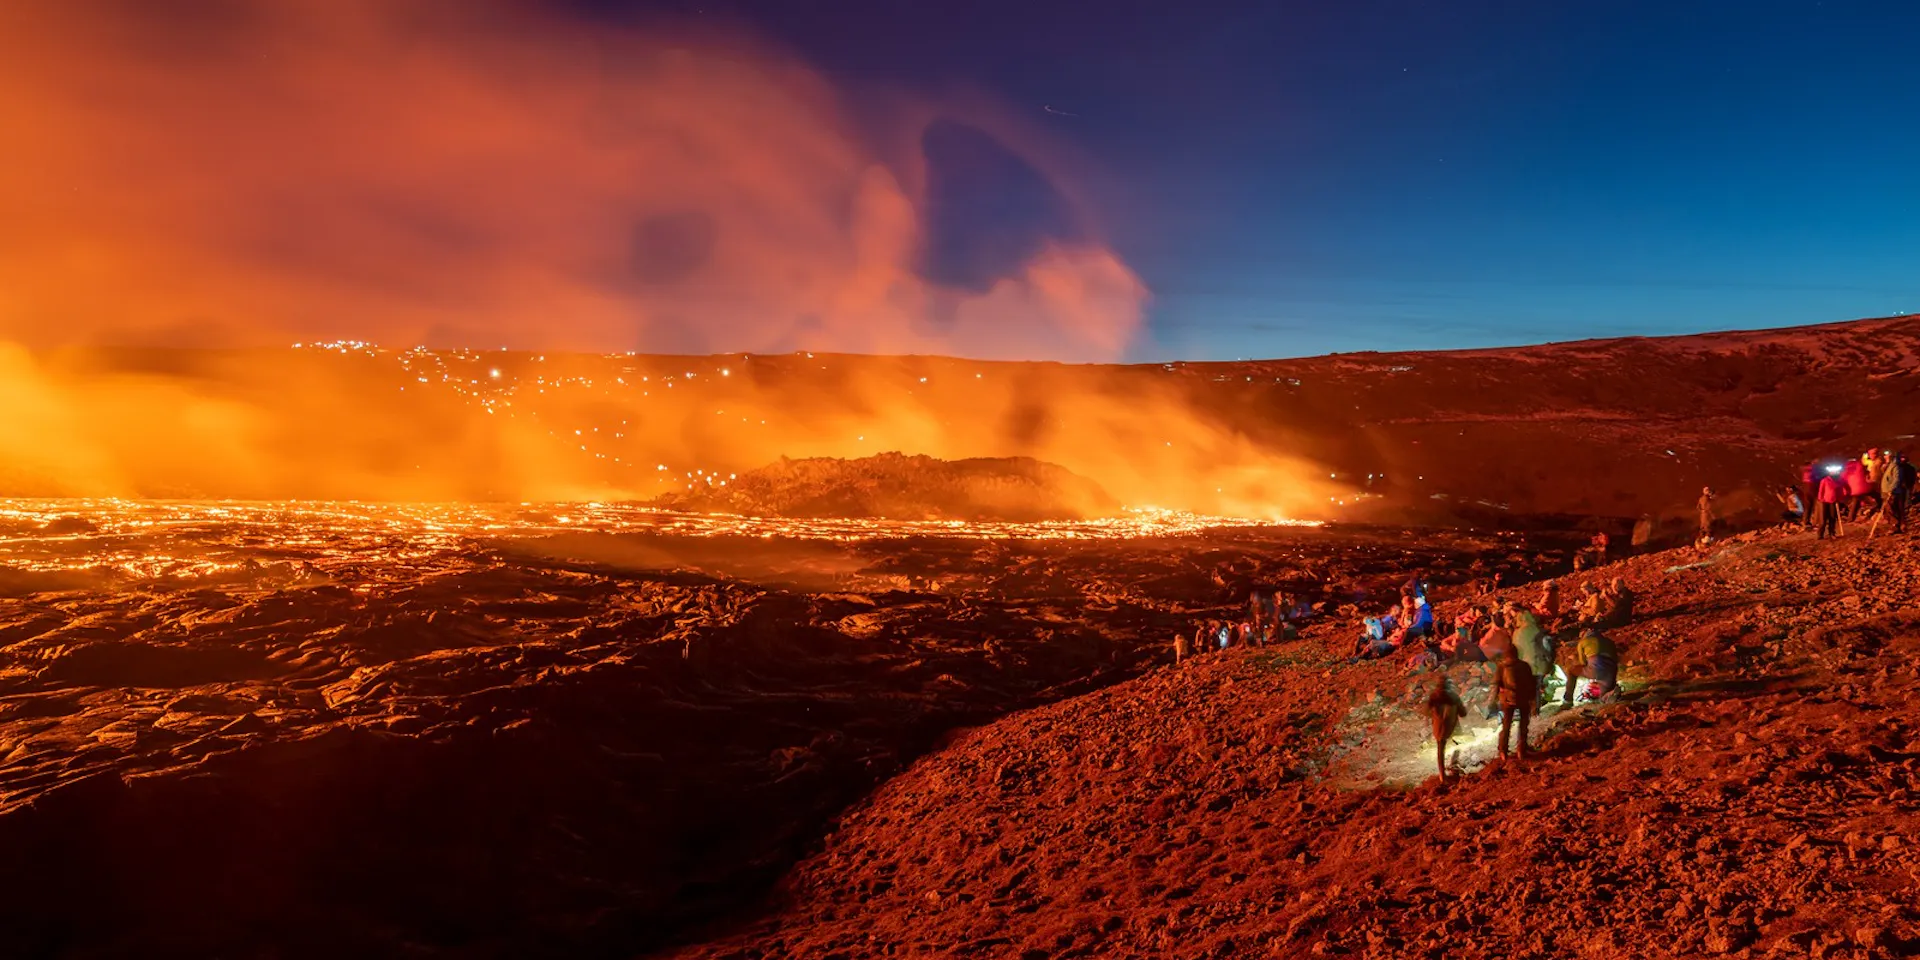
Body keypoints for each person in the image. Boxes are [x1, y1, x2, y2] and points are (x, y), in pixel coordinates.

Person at [1493, 654, 1537, 761]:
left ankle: (1503, 751)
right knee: (1523, 724)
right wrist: (1532, 699)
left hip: (1507, 700)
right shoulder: (1524, 665)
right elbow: (1531, 683)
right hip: (1523, 698)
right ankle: (1521, 750)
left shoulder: (1501, 666)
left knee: (1506, 725)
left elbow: (1497, 683)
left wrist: (1497, 697)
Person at [1562, 627, 1620, 704]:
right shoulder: (1609, 641)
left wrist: (1574, 659)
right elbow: (1616, 658)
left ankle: (1568, 700)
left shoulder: (1583, 642)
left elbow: (1583, 662)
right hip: (1612, 669)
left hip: (1597, 665)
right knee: (1604, 696)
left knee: (1571, 671)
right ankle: (1610, 694)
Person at [1426, 677, 1466, 778]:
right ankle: (1454, 764)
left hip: (1438, 727)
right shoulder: (1454, 696)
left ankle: (1442, 775)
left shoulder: (1434, 696)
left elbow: (1427, 711)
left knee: (1440, 749)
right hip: (1453, 726)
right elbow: (1463, 713)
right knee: (1459, 743)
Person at [1817, 468, 1846, 539]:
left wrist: (1840, 499)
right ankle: (1820, 534)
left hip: (1834, 502)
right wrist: (1821, 499)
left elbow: (1840, 491)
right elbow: (1821, 491)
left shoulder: (1839, 481)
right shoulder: (1824, 480)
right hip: (1824, 502)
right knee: (1823, 520)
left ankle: (1832, 533)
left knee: (1832, 518)